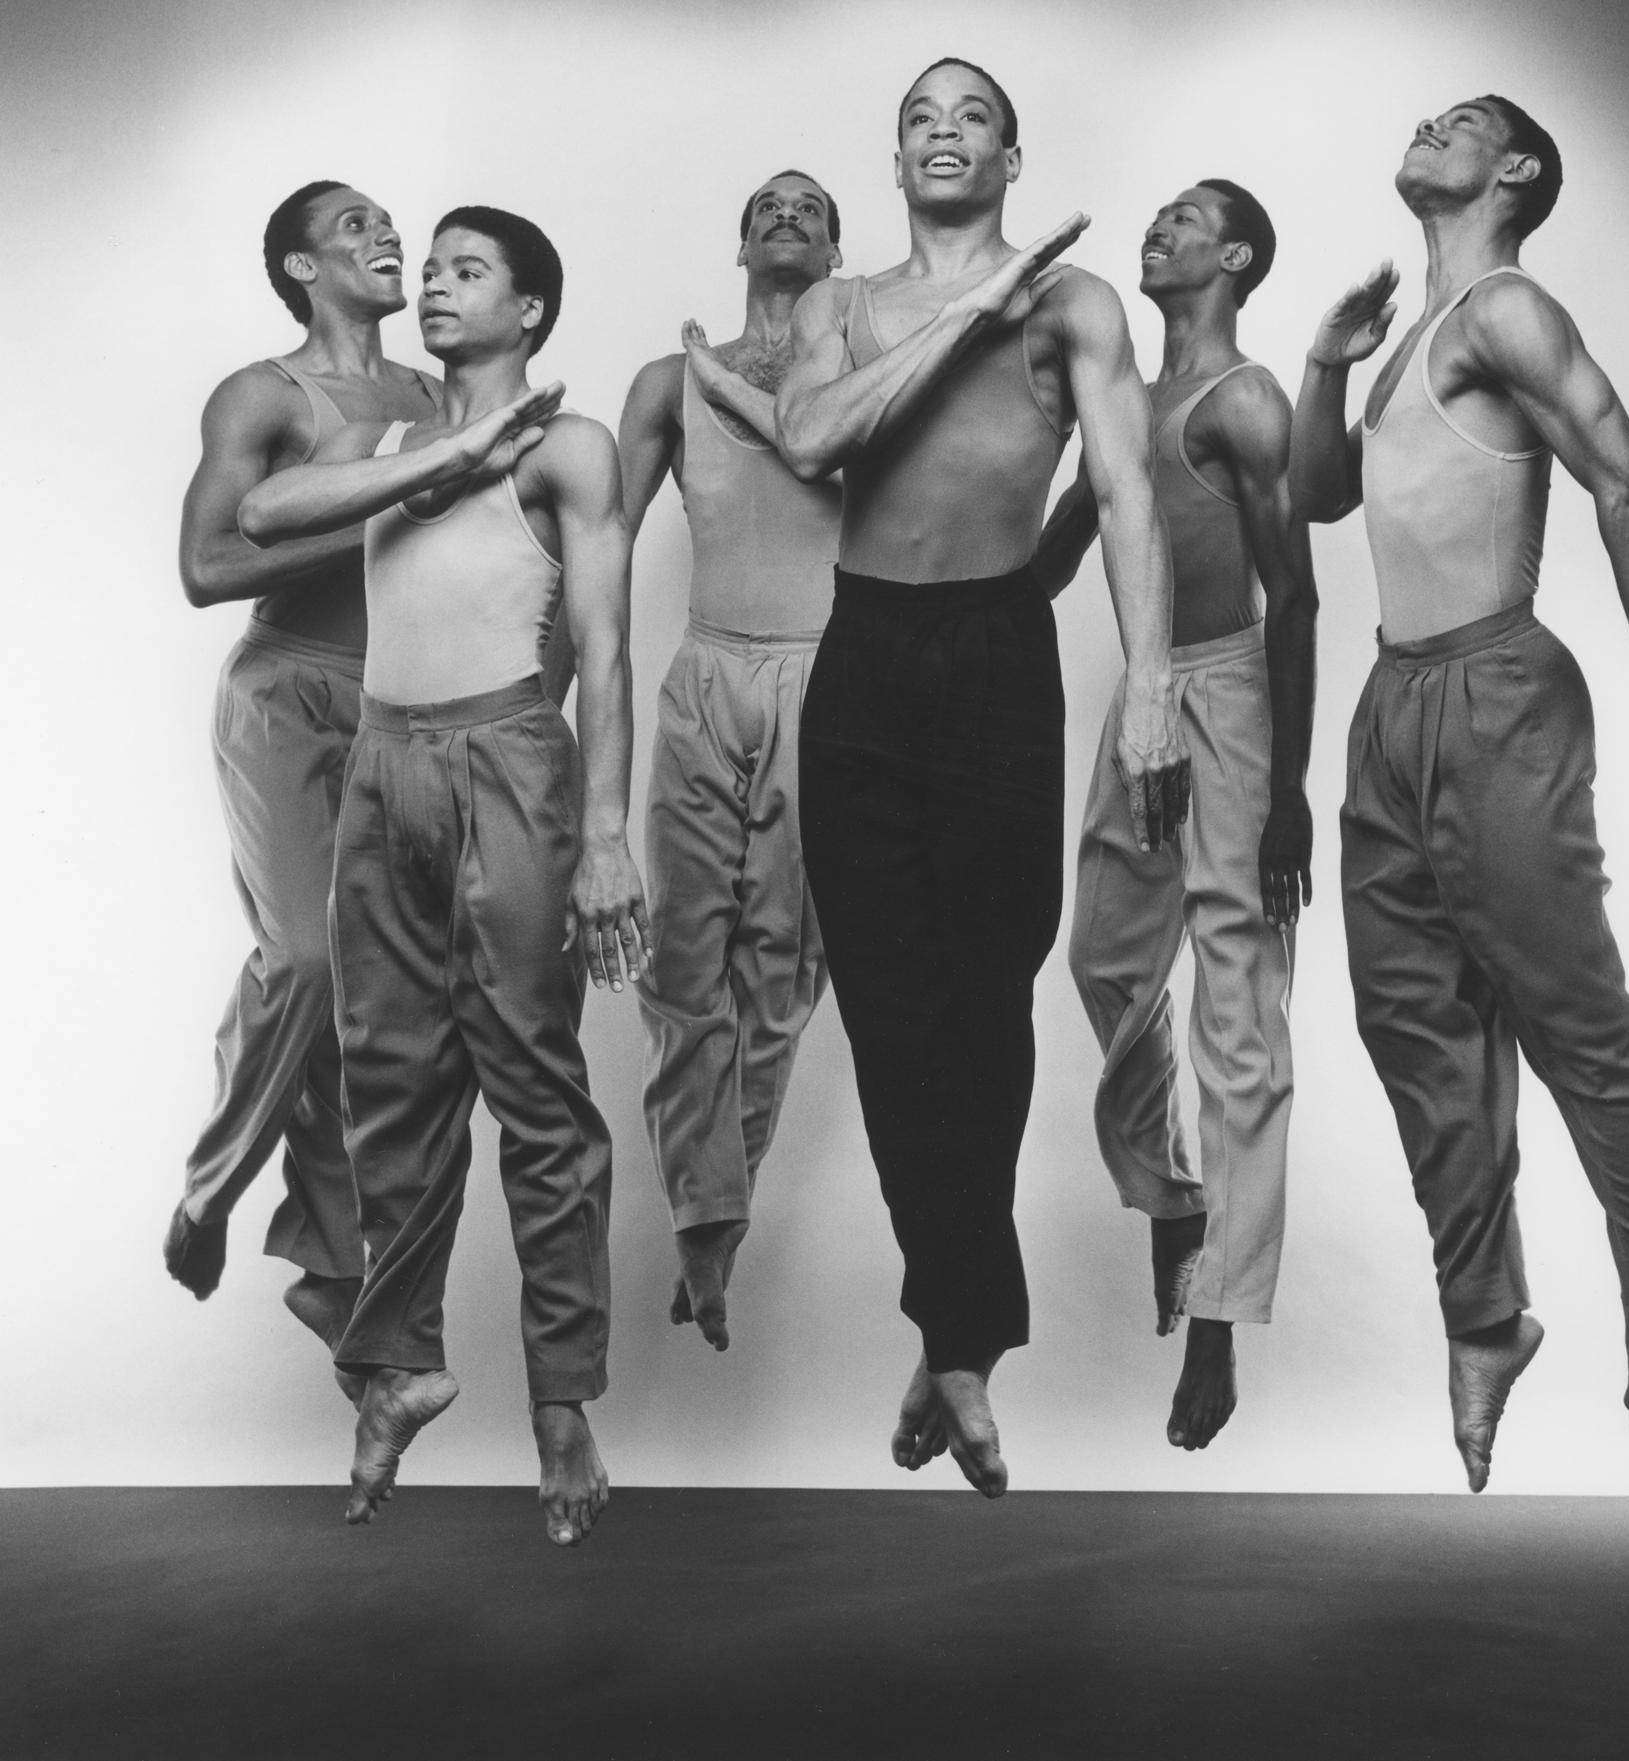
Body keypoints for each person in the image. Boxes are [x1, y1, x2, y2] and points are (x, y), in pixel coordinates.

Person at [1289, 97, 1629, 1491]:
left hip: (1494, 693)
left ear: (1515, 170)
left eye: (1459, 123)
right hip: (1391, 704)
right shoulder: (1413, 336)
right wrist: (1322, 359)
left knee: (1571, 1022)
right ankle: (1487, 1318)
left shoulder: (1508, 310)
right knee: (1413, 1025)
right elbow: (1319, 495)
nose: (1423, 128)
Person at [776, 59, 1186, 1496]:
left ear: (1015, 154)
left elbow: (1128, 492)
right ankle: (963, 1324)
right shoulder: (841, 304)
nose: (944, 132)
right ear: (894, 159)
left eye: (972, 118)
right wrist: (962, 314)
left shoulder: (1078, 304)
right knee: (890, 1007)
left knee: (985, 992)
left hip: (999, 650)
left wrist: (1150, 680)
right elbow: (815, 438)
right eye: (918, 118)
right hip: (866, 653)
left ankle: (952, 1324)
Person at [238, 205, 647, 1546]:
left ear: (529, 312)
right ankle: (401, 1363)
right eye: (437, 269)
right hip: (379, 766)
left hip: (507, 758)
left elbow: (606, 644)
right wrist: (451, 451)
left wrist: (604, 833)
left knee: (534, 1088)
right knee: (390, 1087)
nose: (437, 285)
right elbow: (261, 507)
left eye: (470, 271)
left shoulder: (573, 448)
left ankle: (563, 1398)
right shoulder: (394, 441)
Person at [1034, 179, 1318, 1451]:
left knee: (1239, 1019)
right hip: (1146, 702)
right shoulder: (1125, 404)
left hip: (1235, 694)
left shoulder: (1244, 401)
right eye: (1159, 215)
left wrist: (1291, 795)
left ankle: (1218, 1319)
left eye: (1189, 219)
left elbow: (1296, 598)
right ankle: (1172, 1202)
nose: (1160, 227)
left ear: (1237, 256)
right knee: (1104, 959)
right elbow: (1044, 560)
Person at [167, 182, 439, 1365]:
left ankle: (333, 1271)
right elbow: (207, 563)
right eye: (354, 229)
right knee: (309, 956)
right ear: (299, 268)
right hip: (286, 690)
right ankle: (211, 1182)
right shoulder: (262, 394)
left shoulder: (435, 397)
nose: (388, 238)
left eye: (392, 224)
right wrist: (386, 511)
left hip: (404, 706)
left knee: (369, 998)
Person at [617, 171, 844, 1352]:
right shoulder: (668, 382)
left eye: (812, 205)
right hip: (707, 671)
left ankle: (712, 1214)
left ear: (840, 246)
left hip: (825, 675)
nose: (788, 214)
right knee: (677, 962)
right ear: (741, 237)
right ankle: (712, 1207)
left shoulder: (861, 368)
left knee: (779, 972)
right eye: (768, 203)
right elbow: (594, 549)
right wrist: (549, 698)